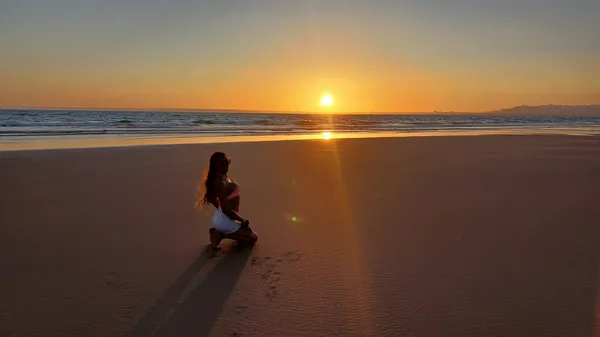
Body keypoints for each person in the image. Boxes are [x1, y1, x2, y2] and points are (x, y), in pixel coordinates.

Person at [197, 151, 258, 250]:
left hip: (226, 217)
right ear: (215, 166)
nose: (225, 164)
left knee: (246, 239)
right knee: (253, 239)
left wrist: (222, 209)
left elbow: (213, 199)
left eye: (225, 161)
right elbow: (225, 209)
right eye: (221, 163)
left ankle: (219, 232)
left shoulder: (224, 177)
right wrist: (242, 220)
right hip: (225, 219)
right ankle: (220, 234)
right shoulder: (219, 182)